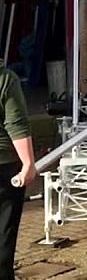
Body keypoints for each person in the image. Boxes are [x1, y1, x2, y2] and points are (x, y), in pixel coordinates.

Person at [0, 66, 36, 279]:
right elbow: (16, 123)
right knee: (3, 234)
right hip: (4, 166)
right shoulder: (5, 79)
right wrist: (28, 163)